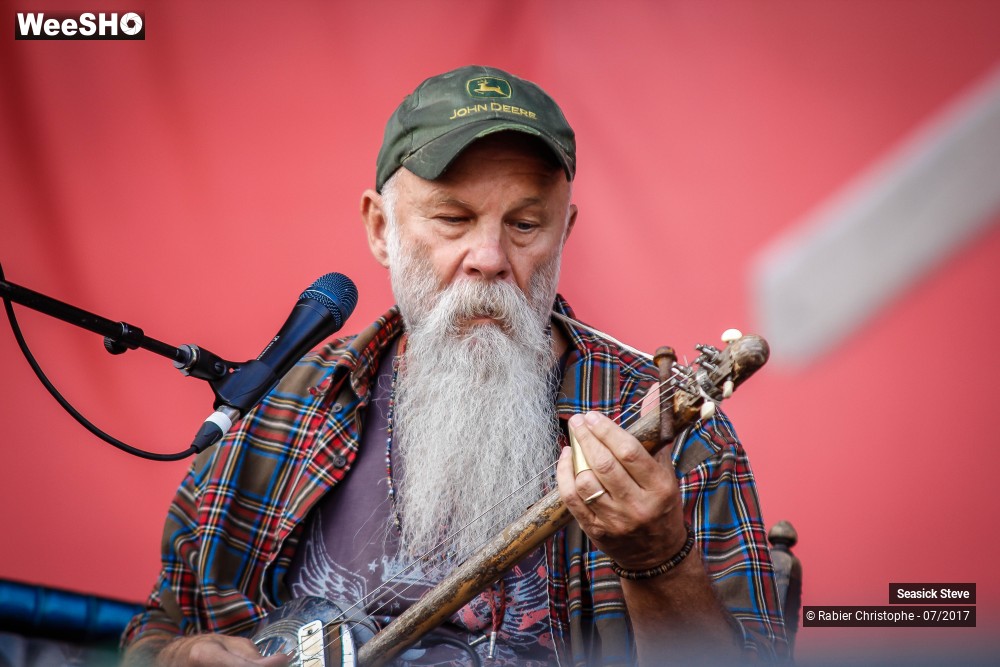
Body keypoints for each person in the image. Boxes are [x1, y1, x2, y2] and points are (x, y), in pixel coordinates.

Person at [120, 65, 786, 666]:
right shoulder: (278, 409)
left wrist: (658, 559)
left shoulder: (669, 431)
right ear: (380, 228)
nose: (490, 257)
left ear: (566, 232)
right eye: (453, 218)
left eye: (525, 225)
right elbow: (159, 627)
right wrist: (175, 657)